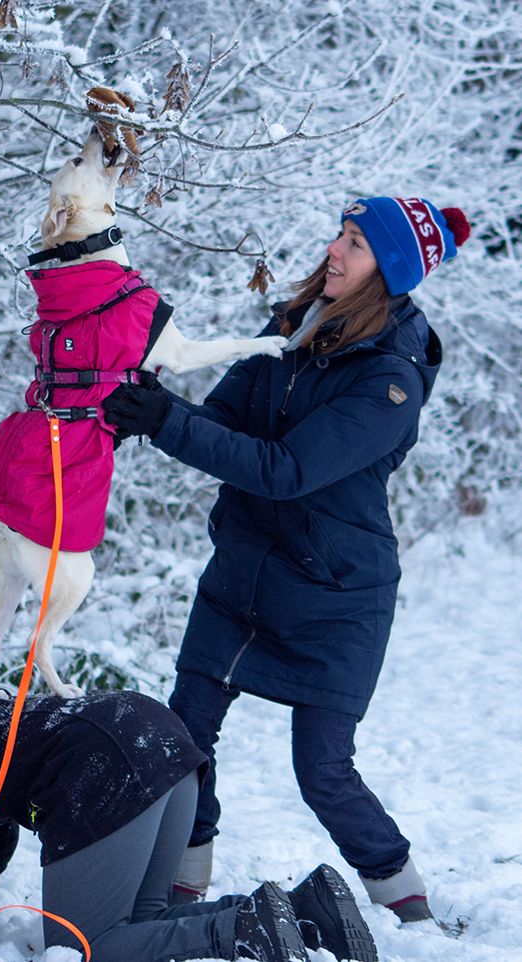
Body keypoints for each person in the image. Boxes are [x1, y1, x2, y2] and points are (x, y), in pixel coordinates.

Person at [103, 196, 471, 924]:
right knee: (185, 737)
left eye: (357, 243)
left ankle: (412, 908)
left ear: (388, 271)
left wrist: (170, 425)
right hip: (244, 572)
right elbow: (219, 424)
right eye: (341, 233)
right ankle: (179, 892)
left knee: (323, 771)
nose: (334, 249)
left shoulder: (389, 382)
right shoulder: (291, 328)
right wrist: (152, 406)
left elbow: (284, 470)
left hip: (335, 596)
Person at [0, 649, 378, 962]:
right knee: (138, 924)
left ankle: (244, 930)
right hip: (155, 734)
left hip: (105, 763)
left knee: (87, 946)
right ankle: (304, 910)